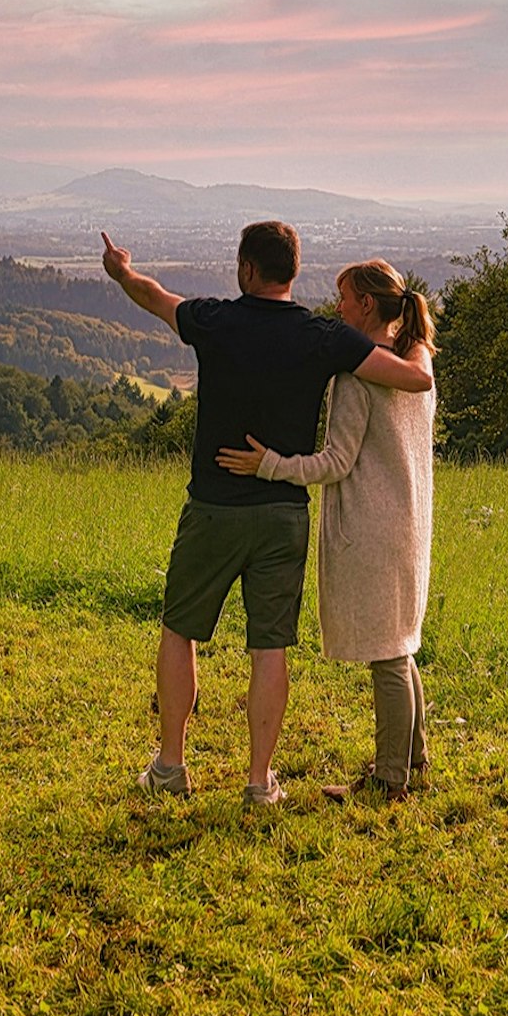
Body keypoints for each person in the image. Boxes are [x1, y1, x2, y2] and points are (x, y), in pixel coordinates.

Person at [101, 224, 434, 806]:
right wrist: (421, 344)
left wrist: (122, 272)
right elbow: (412, 377)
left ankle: (172, 765)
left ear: (247, 270)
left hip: (213, 508)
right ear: (293, 272)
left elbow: (155, 299)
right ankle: (260, 781)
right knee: (269, 647)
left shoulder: (215, 320)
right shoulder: (325, 338)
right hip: (284, 517)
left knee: (180, 631)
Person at [215, 259, 435, 801]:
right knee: (401, 645)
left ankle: (389, 780)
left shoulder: (361, 375)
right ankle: (414, 759)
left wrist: (270, 464)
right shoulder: (414, 359)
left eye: (343, 298)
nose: (336, 307)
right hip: (409, 524)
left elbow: (334, 462)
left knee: (387, 652)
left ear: (364, 304)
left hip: (370, 527)